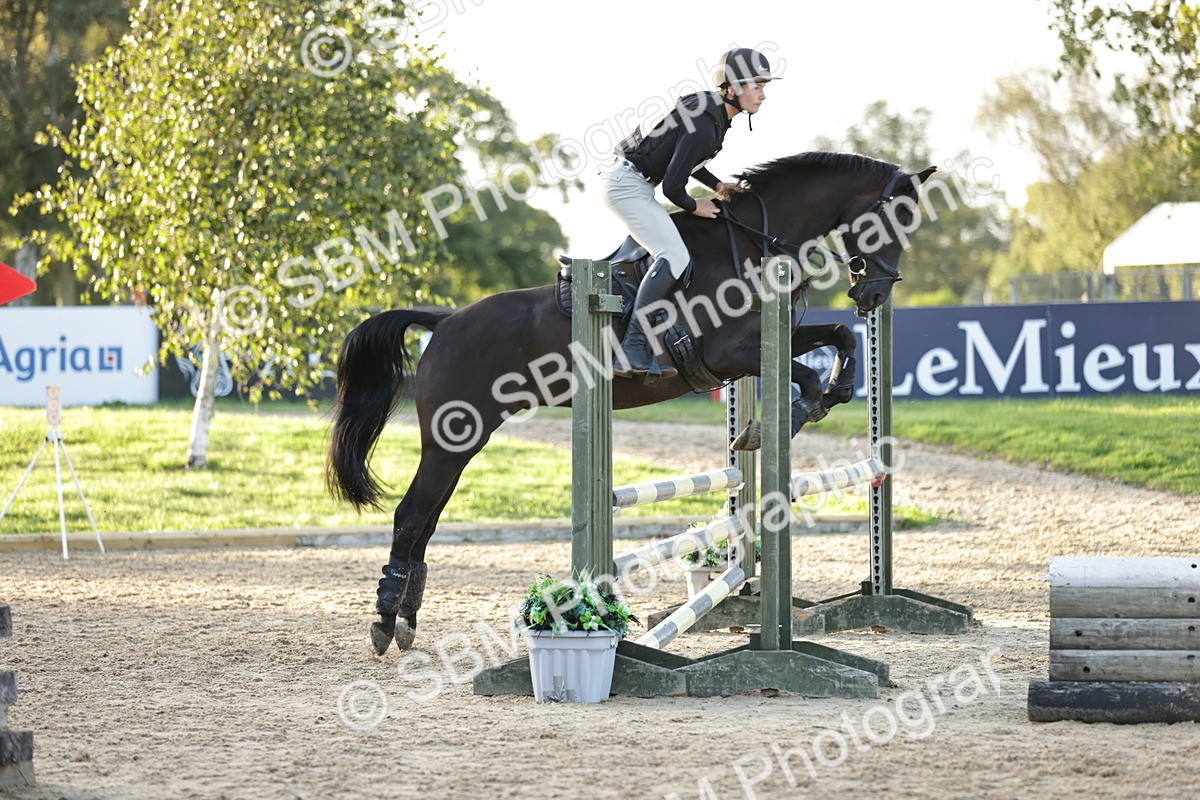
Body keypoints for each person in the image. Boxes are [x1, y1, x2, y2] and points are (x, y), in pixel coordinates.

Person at [603, 47, 780, 380]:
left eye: (764, 86)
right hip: (627, 186)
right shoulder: (705, 122)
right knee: (674, 256)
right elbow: (672, 186)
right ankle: (632, 350)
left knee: (677, 254)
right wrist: (693, 205)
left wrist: (716, 186)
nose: (762, 94)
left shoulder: (715, 117)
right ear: (731, 88)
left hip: (635, 184)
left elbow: (686, 162)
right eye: (756, 86)